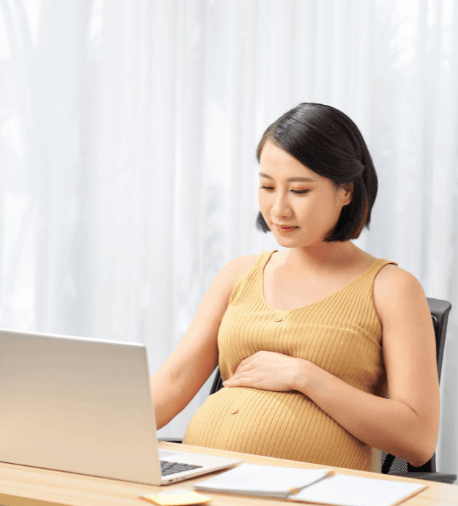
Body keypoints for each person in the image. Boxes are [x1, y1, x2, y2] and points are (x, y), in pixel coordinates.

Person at [151, 103, 439, 471]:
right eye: (267, 187)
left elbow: (417, 439)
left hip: (312, 505)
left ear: (346, 191)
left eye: (300, 191)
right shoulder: (237, 275)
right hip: (199, 487)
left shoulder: (392, 289)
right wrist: (90, 430)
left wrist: (304, 377)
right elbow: (174, 381)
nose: (278, 209)